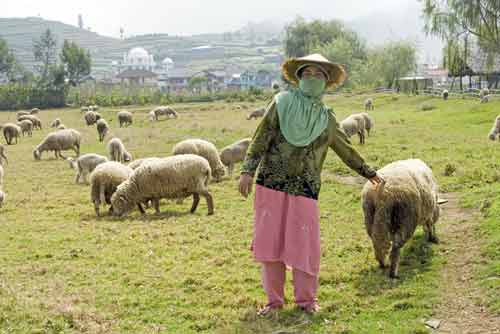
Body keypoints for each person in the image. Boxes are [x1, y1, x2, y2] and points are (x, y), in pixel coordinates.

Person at [238, 54, 383, 315]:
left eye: (319, 75)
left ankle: (306, 301)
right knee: (271, 245)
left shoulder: (326, 119)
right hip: (270, 184)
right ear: (298, 78)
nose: (312, 78)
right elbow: (261, 137)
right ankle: (274, 302)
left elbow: (346, 149)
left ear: (326, 83)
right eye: (307, 74)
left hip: (305, 190)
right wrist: (247, 171)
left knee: (304, 245)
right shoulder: (281, 103)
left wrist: (369, 172)